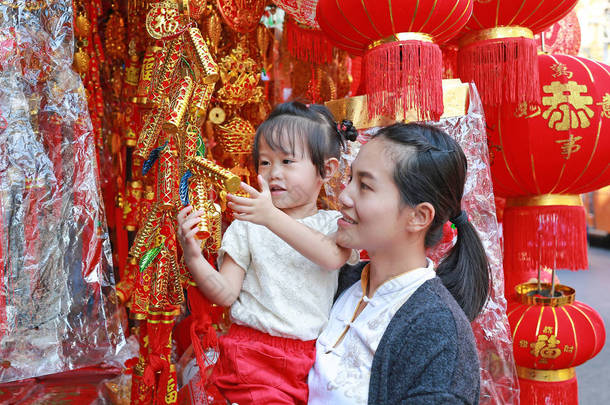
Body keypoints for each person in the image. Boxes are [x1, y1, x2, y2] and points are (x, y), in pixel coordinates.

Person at [177, 101, 359, 405]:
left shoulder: (332, 224)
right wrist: (194, 257)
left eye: (287, 161)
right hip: (250, 354)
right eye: (264, 162)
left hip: (311, 357)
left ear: (326, 170)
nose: (273, 173)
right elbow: (224, 294)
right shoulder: (249, 226)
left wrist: (271, 218)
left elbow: (330, 256)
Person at [308, 123, 490, 405]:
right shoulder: (342, 281)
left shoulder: (438, 332)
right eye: (350, 178)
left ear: (418, 216)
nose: (343, 197)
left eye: (365, 186)